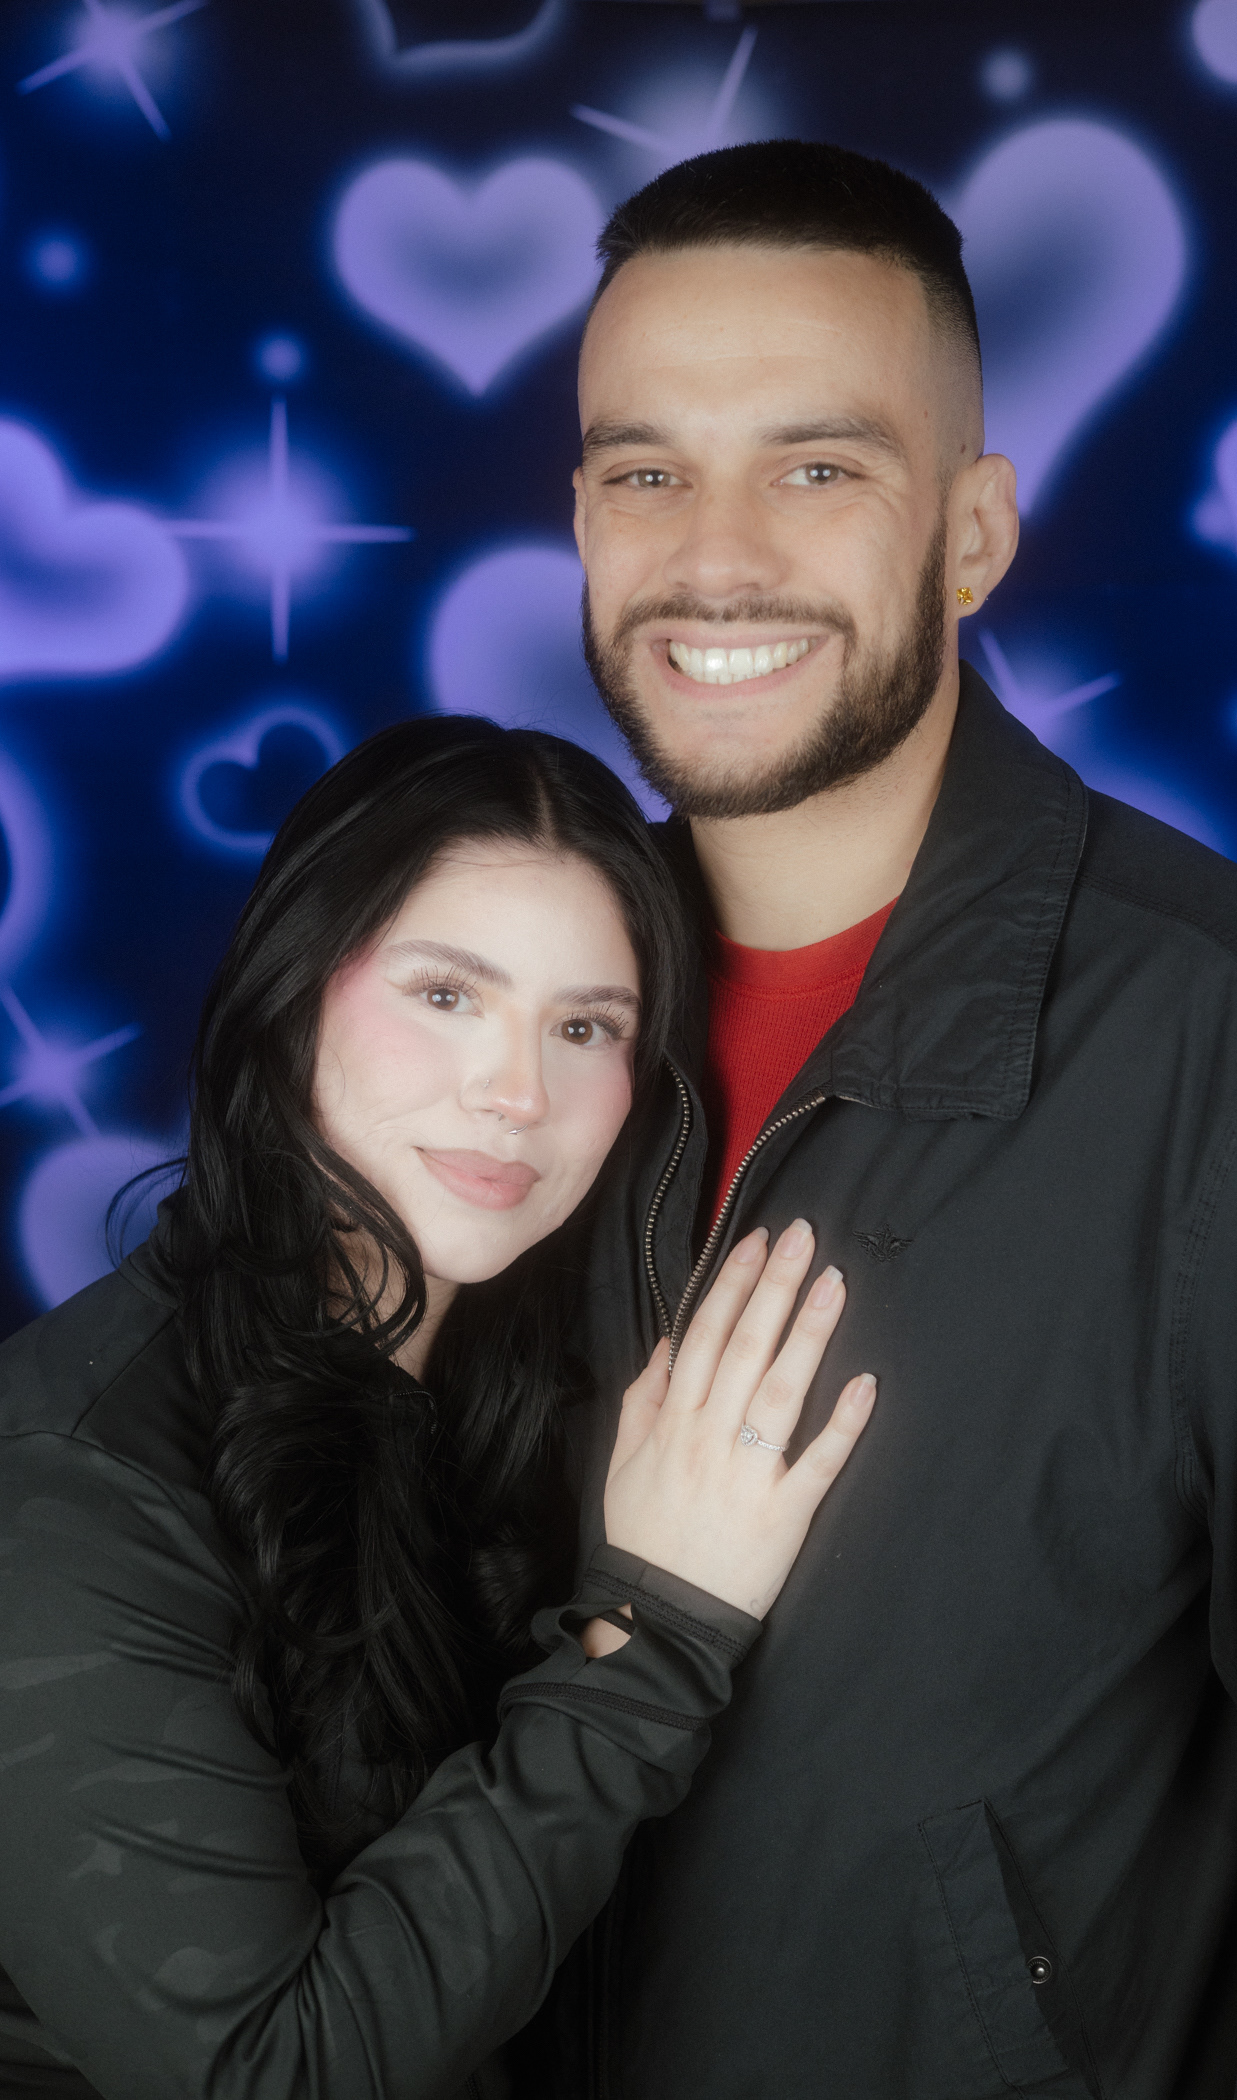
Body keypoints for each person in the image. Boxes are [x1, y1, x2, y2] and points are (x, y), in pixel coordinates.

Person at [549, 141, 1237, 2096]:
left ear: (974, 533)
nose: (714, 557)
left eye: (816, 469)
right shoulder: (503, 1027)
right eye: (645, 473)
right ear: (579, 518)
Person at [0, 715, 876, 2100]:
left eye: (584, 1027)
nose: (517, 1094)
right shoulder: (71, 1492)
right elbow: (270, 2078)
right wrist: (650, 1638)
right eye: (447, 995)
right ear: (294, 990)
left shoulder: (527, 1374)